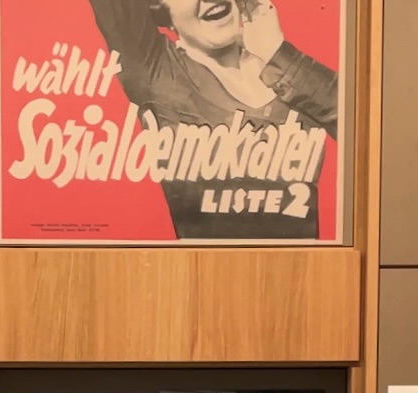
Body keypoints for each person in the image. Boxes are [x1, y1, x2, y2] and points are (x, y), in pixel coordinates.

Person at [87, 0, 339, 240]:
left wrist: (278, 54)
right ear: (160, 8)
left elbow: (367, 133)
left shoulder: (288, 67)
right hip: (206, 274)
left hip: (301, 273)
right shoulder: (154, 71)